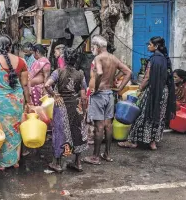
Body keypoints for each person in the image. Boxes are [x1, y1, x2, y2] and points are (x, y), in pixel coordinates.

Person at [0, 35, 32, 170]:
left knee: (3, 130)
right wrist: (29, 103)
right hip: (17, 101)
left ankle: (3, 163)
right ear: (10, 47)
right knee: (15, 130)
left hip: (1, 102)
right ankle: (15, 161)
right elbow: (26, 86)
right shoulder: (21, 62)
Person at [119, 37, 176, 150]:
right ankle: (152, 143)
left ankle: (133, 141)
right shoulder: (165, 59)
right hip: (163, 92)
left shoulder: (153, 59)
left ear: (156, 46)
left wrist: (140, 89)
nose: (148, 46)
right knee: (158, 116)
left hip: (153, 91)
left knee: (142, 115)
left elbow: (147, 78)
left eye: (150, 44)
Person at [83, 35, 131, 165]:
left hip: (99, 95)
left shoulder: (98, 58)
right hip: (110, 94)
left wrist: (97, 88)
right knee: (108, 125)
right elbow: (128, 71)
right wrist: (120, 88)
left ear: (97, 47)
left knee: (99, 126)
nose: (93, 49)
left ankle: (95, 157)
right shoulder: (113, 58)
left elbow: (98, 73)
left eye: (93, 46)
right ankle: (107, 154)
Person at [45, 48, 88, 172]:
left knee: (60, 132)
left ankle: (57, 164)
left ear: (64, 59)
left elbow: (47, 85)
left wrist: (54, 95)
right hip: (76, 105)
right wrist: (84, 110)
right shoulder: (80, 73)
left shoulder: (58, 72)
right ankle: (78, 163)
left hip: (61, 105)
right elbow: (83, 95)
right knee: (77, 131)